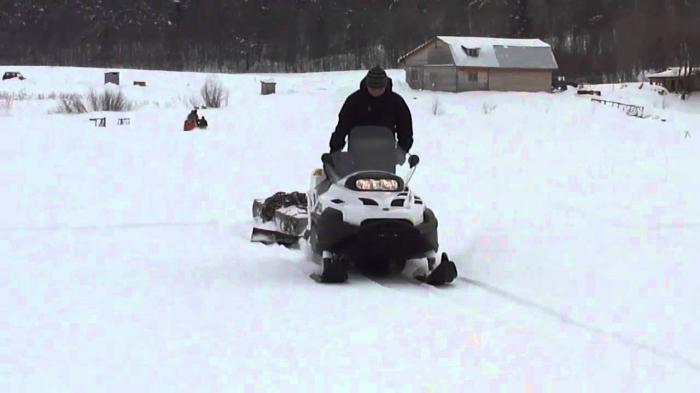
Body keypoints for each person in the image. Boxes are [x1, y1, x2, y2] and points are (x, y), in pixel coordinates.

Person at [329, 66, 413, 163]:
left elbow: (405, 129)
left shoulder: (396, 102)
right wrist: (334, 153)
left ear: (385, 86)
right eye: (373, 88)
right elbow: (342, 127)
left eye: (380, 88)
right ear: (367, 85)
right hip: (357, 156)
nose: (376, 91)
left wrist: (401, 151)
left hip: (386, 158)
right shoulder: (354, 101)